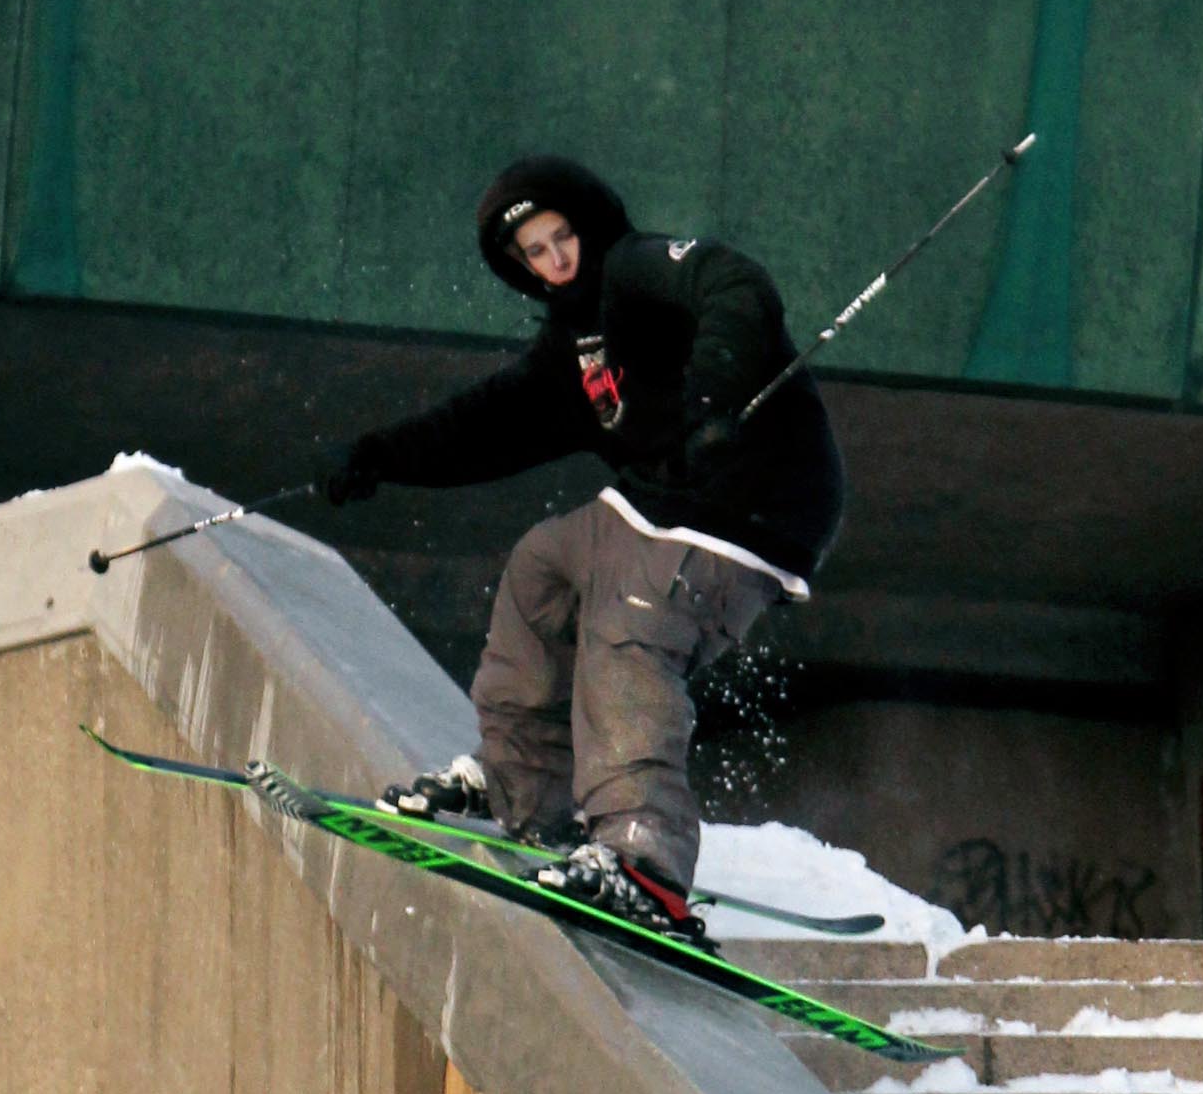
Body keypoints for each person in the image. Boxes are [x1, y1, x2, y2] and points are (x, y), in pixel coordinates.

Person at [325, 153, 846, 937]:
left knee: (628, 625)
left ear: (587, 226)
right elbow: (486, 423)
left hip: (753, 500)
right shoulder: (571, 350)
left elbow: (736, 285)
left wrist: (712, 394)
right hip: (657, 509)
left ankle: (645, 860)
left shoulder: (635, 271)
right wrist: (379, 457)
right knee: (546, 566)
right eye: (535, 253)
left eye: (562, 238)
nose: (556, 261)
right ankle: (526, 783)